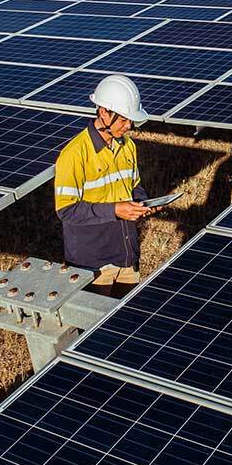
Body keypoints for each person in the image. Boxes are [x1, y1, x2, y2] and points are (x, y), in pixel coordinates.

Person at [53, 74, 158, 299]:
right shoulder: (74, 154)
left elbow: (134, 186)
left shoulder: (128, 146)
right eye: (123, 120)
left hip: (127, 255)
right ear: (103, 112)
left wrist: (143, 203)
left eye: (130, 120)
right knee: (95, 319)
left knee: (126, 317)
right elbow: (66, 210)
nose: (128, 126)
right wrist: (115, 210)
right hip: (93, 264)